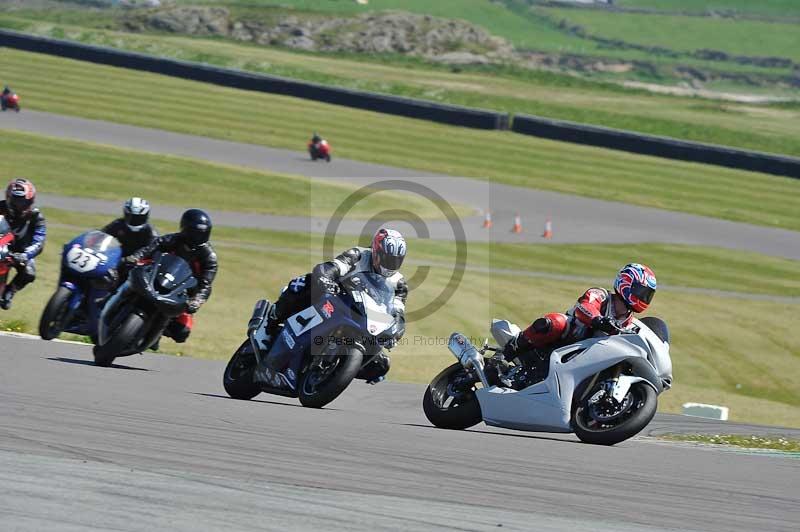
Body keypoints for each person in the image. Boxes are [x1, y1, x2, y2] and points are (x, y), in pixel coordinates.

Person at [257, 228, 409, 388]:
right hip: (337, 299)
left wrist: (396, 330)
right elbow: (333, 267)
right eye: (386, 258)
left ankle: (332, 371)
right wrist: (326, 279)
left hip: (365, 319)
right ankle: (269, 322)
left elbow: (398, 312)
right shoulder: (358, 255)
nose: (390, 264)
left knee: (381, 365)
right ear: (376, 251)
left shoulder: (399, 283)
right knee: (303, 283)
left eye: (395, 260)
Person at [503, 263, 657, 360]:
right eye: (641, 292)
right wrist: (599, 320)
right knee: (555, 322)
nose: (643, 297)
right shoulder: (601, 295)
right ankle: (512, 348)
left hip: (591, 356)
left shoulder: (630, 323)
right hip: (567, 340)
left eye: (647, 295)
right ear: (626, 283)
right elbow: (583, 308)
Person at [124, 209, 217, 343]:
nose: (197, 237)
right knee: (127, 273)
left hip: (180, 292)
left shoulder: (209, 257)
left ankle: (156, 332)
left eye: (202, 233)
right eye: (195, 233)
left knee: (182, 332)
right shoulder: (172, 239)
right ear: (185, 228)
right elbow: (150, 248)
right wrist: (135, 257)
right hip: (156, 277)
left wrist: (197, 300)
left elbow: (206, 284)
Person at [0, 178, 47, 310]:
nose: (21, 205)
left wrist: (25, 255)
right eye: (17, 201)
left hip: (20, 252)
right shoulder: (0, 207)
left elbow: (39, 241)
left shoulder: (37, 217)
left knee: (29, 273)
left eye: (25, 202)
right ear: (8, 198)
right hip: (1, 246)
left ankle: (10, 291)